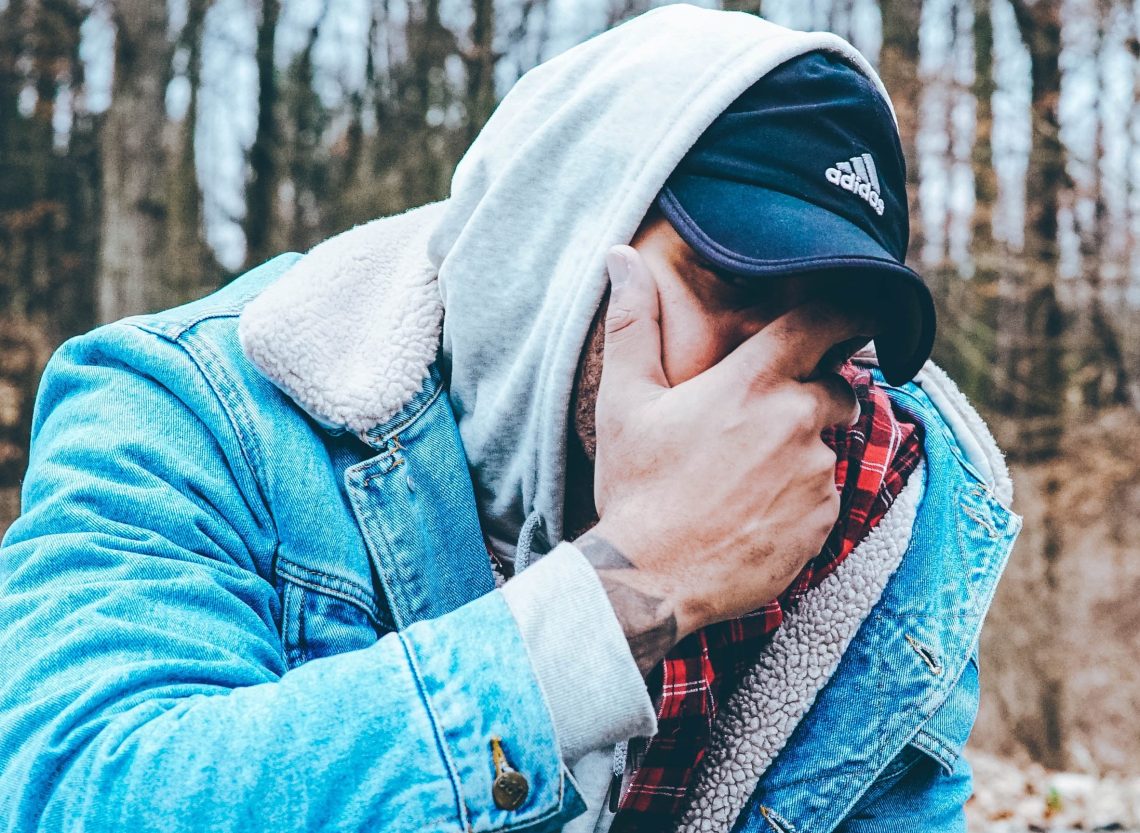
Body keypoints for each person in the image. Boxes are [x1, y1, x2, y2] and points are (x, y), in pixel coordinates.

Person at [0, 6, 1021, 833]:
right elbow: (72, 795)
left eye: (826, 347)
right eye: (734, 294)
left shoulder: (880, 519)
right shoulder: (186, 407)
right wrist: (629, 588)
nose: (768, 403)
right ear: (558, 245)